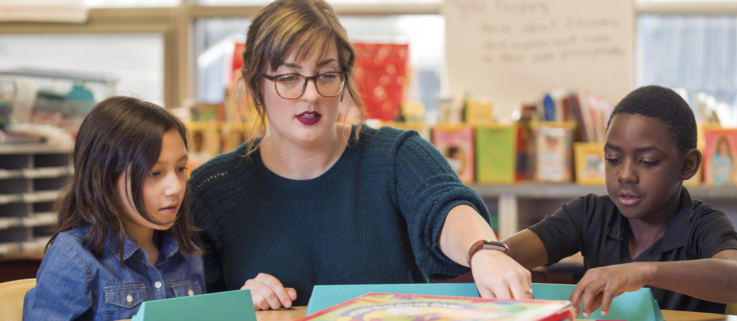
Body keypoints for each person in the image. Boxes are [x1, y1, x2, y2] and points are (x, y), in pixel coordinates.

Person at [188, 0, 530, 311]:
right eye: (290, 77)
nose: (311, 95)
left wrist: (482, 249)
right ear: (253, 86)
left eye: (327, 75)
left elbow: (444, 208)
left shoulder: (395, 156)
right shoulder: (211, 189)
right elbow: (192, 304)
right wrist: (237, 303)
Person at [503, 86, 737, 316]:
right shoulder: (589, 213)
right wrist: (486, 255)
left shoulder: (703, 224)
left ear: (687, 165)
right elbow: (503, 256)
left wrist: (646, 271)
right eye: (613, 159)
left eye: (647, 161)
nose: (624, 174)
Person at [23, 97, 204, 321]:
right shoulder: (73, 258)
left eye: (180, 168)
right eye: (154, 173)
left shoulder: (188, 254)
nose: (175, 188)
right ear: (105, 178)